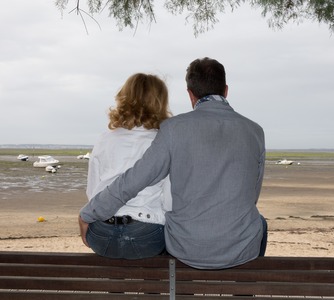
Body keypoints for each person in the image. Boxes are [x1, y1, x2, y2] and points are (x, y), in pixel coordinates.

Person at [80, 57, 267, 269]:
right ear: (226, 90)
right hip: (240, 249)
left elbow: (133, 180)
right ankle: (245, 290)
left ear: (190, 94)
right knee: (260, 223)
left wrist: (90, 212)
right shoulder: (255, 131)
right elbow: (251, 196)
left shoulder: (173, 129)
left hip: (186, 248)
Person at [83, 73, 172, 259]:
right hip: (145, 234)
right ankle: (151, 288)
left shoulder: (105, 139)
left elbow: (93, 193)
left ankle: (116, 287)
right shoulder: (162, 141)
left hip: (102, 234)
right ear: (160, 102)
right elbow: (169, 200)